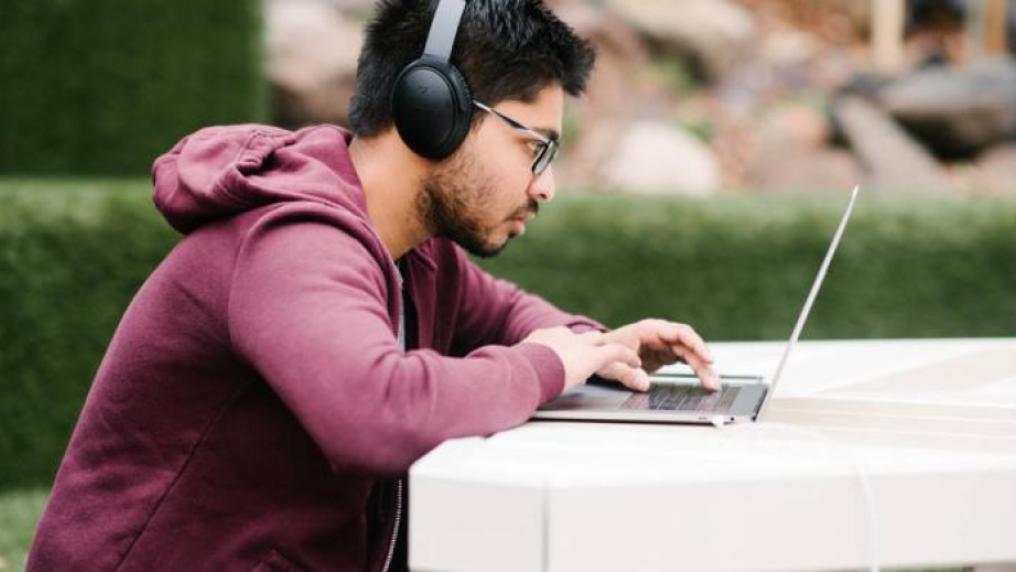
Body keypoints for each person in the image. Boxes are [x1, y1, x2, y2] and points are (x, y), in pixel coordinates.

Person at [28, 0, 719, 570]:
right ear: (434, 110)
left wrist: (596, 345)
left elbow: (510, 313)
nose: (545, 185)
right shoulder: (290, 241)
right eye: (531, 145)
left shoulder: (415, 253)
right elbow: (377, 413)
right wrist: (549, 363)